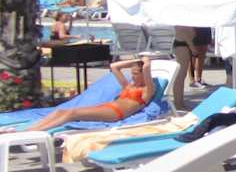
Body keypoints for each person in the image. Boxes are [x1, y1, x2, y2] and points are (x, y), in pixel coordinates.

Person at [26, 56, 155, 131]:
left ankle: (34, 133)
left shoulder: (147, 90)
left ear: (143, 74)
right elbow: (114, 67)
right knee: (61, 111)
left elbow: (146, 67)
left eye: (135, 73)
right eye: (132, 73)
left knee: (72, 114)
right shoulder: (128, 85)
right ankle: (29, 131)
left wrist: (145, 60)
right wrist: (135, 61)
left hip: (116, 113)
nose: (132, 76)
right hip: (107, 107)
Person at [171, 25, 196, 111]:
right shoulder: (182, 21)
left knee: (181, 76)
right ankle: (178, 104)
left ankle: (180, 102)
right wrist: (192, 48)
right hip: (182, 45)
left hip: (182, 44)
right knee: (180, 76)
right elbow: (184, 33)